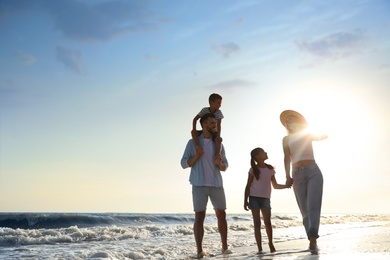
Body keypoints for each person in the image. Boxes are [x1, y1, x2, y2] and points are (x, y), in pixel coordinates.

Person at [181, 113, 232, 258]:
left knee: (222, 215)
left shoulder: (219, 143)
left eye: (215, 123)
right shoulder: (192, 143)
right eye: (211, 123)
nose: (214, 125)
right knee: (199, 216)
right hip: (199, 185)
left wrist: (220, 164)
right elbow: (183, 163)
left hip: (216, 184)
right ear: (204, 125)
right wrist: (196, 156)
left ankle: (225, 248)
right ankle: (199, 251)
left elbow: (225, 166)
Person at [280, 110, 328, 251]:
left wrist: (324, 133)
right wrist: (287, 176)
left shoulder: (307, 134)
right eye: (286, 120)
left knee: (313, 206)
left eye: (291, 118)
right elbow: (286, 158)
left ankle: (313, 239)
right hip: (296, 174)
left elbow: (320, 136)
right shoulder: (286, 139)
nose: (289, 121)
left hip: (313, 171)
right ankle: (311, 237)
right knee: (304, 210)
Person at [244, 147, 291, 254]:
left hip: (265, 198)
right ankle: (260, 248)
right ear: (257, 156)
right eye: (263, 152)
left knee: (268, 223)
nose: (266, 153)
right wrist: (245, 200)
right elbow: (248, 186)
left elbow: (275, 185)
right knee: (257, 223)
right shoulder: (253, 170)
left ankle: (270, 243)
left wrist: (286, 186)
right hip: (254, 198)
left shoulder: (270, 170)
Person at [191, 93, 224, 160]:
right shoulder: (205, 110)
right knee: (193, 132)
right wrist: (194, 129)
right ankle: (198, 147)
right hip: (205, 130)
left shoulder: (219, 112)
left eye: (220, 103)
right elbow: (195, 119)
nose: (220, 105)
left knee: (218, 140)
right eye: (218, 103)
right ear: (211, 102)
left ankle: (217, 154)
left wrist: (218, 135)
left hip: (214, 131)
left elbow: (219, 124)